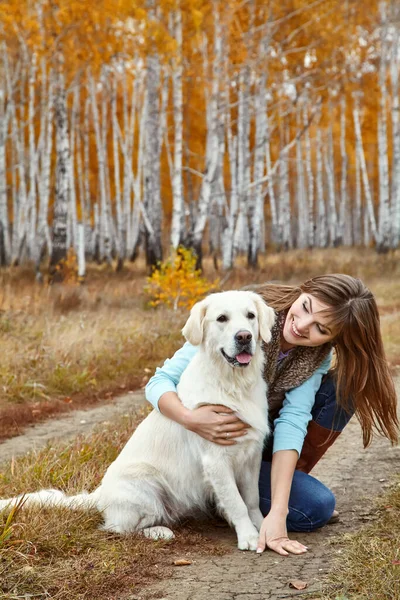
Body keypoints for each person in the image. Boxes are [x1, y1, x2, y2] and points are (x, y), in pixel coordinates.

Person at [145, 274, 398, 557]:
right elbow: (159, 382)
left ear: (334, 339)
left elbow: (293, 421)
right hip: (211, 440)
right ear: (302, 292)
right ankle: (228, 497)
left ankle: (270, 489)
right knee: (314, 507)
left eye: (321, 329)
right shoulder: (241, 315)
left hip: (259, 442)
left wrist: (279, 510)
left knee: (316, 505)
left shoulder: (317, 356)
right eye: (305, 307)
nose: (302, 326)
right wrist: (191, 419)